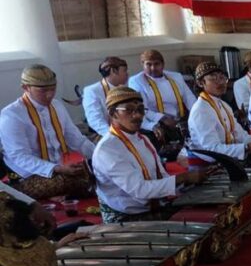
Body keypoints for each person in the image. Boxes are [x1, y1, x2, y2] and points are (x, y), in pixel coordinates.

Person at [92, 86, 207, 223]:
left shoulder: (143, 139)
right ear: (112, 113)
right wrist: (183, 177)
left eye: (140, 110)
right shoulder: (107, 149)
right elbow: (140, 190)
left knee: (209, 207)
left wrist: (186, 185)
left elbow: (161, 176)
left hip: (156, 206)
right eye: (129, 110)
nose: (137, 115)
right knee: (202, 220)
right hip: (127, 219)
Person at [0, 64, 94, 200]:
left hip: (60, 169)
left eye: (53, 89)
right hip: (25, 176)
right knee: (70, 181)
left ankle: (67, 194)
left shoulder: (57, 106)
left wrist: (100, 157)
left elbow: (77, 140)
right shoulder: (12, 115)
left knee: (98, 171)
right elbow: (19, 157)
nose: (49, 94)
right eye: (43, 90)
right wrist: (57, 168)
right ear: (26, 88)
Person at [188, 62, 251, 165]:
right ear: (200, 83)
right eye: (213, 78)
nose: (220, 82)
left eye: (222, 78)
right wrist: (247, 147)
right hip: (209, 166)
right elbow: (212, 150)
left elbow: (239, 133)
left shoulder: (224, 105)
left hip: (229, 159)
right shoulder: (200, 110)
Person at [128, 49, 196, 136]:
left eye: (156, 64)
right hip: (156, 123)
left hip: (180, 120)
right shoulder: (137, 81)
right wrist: (163, 118)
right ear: (143, 65)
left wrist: (197, 114)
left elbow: (190, 99)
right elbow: (142, 109)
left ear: (163, 65)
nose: (153, 68)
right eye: (148, 64)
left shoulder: (176, 77)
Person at [81, 56, 128, 136]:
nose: (127, 74)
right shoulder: (92, 91)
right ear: (113, 71)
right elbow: (95, 120)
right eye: (124, 71)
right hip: (105, 135)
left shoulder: (126, 88)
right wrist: (114, 136)